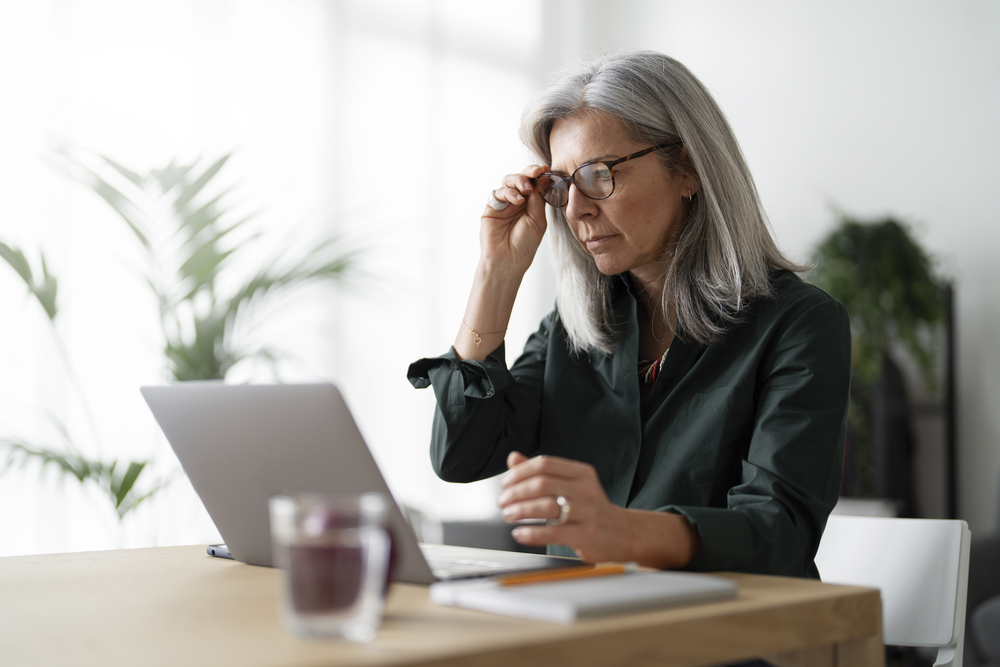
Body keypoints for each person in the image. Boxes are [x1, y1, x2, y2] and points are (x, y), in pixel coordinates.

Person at [408, 51, 850, 578]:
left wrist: (624, 532)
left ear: (687, 169)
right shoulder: (571, 332)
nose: (576, 209)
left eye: (598, 175)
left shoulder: (799, 325)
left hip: (730, 640)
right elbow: (461, 455)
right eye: (562, 186)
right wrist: (495, 273)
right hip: (583, 632)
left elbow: (781, 532)